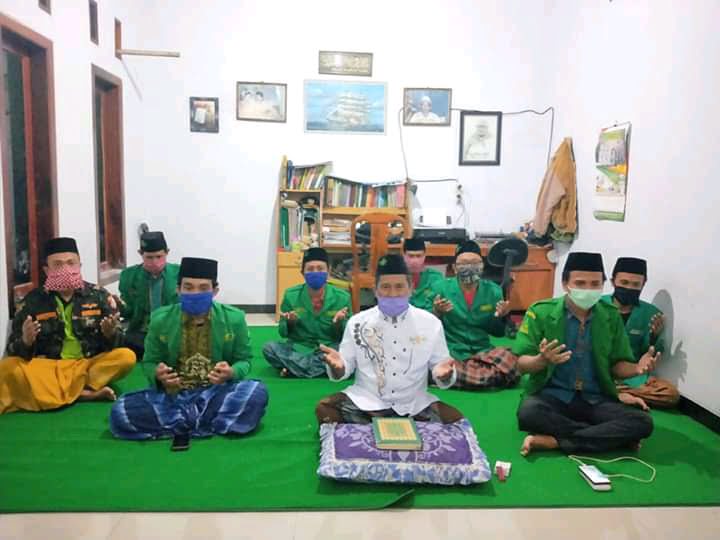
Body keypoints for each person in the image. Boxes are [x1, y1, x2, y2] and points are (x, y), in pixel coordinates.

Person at [110, 257, 268, 440]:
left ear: (214, 291)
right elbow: (150, 362)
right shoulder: (161, 319)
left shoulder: (234, 318)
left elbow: (244, 360)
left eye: (203, 288)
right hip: (173, 395)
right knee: (120, 410)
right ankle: (206, 420)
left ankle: (179, 421)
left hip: (216, 393)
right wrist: (158, 375)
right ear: (178, 290)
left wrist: (231, 372)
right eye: (188, 287)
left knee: (256, 392)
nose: (195, 293)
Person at [514, 252, 655, 456]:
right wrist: (541, 360)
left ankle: (556, 441)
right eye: (580, 283)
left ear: (603, 285)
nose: (588, 290)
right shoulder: (541, 312)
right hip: (553, 396)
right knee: (528, 412)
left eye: (595, 284)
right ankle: (604, 436)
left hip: (595, 399)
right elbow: (521, 363)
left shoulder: (610, 315)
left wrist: (637, 369)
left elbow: (617, 366)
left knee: (642, 422)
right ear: (565, 284)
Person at [315, 254, 463, 424]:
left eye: (399, 287)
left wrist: (444, 375)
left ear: (411, 288)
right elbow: (345, 367)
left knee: (455, 420)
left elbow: (440, 367)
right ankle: (394, 427)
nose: (393, 294)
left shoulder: (430, 323)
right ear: (375, 290)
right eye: (385, 287)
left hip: (415, 404)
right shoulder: (357, 322)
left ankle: (370, 430)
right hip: (367, 402)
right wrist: (339, 367)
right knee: (325, 408)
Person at [0, 237, 135, 414]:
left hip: (87, 365)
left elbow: (118, 343)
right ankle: (83, 393)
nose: (65, 269)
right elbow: (14, 350)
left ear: (80, 266)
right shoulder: (32, 301)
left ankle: (59, 391)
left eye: (71, 263)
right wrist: (25, 341)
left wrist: (110, 334)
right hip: (49, 367)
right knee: (8, 367)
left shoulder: (99, 295)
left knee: (126, 357)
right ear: (46, 270)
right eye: (57, 265)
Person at [430, 240, 519, 389]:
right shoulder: (440, 288)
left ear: (482, 267)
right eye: (464, 263)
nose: (470, 268)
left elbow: (497, 333)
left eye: (475, 263)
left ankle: (456, 378)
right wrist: (437, 312)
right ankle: (479, 378)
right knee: (434, 363)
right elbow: (427, 327)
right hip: (452, 351)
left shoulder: (494, 291)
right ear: (455, 268)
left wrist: (501, 316)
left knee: (508, 358)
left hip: (482, 351)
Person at [262, 248, 352, 377]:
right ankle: (322, 368)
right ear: (302, 273)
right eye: (310, 269)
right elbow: (283, 333)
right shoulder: (291, 295)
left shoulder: (342, 297)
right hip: (300, 348)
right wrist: (290, 323)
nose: (315, 272)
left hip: (329, 348)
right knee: (269, 348)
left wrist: (338, 323)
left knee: (349, 352)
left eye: (320, 268)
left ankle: (293, 368)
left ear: (328, 271)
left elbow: (347, 336)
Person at [603, 257, 679, 408]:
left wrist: (653, 338)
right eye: (624, 282)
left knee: (670, 394)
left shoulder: (651, 313)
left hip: (631, 374)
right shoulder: (598, 305)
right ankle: (612, 390)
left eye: (635, 284)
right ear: (613, 281)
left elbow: (650, 355)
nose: (629, 288)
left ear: (643, 284)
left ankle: (614, 391)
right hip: (598, 369)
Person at [118, 231, 180, 358]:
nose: (155, 262)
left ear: (167, 252)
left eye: (159, 256)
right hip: (142, 332)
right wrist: (118, 306)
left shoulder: (179, 274)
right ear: (140, 254)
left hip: (172, 331)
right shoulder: (128, 276)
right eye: (149, 257)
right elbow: (127, 312)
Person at [403, 237, 444, 311]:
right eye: (411, 256)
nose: (415, 261)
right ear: (404, 256)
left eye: (419, 256)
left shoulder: (436, 278)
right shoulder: (395, 277)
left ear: (424, 256)